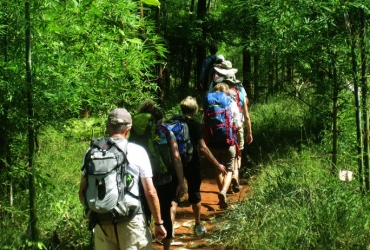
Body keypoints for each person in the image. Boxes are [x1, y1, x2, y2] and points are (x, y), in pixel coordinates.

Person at [78, 108, 166, 250]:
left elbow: (82, 191)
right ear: (129, 129)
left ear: (107, 127)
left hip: (101, 222)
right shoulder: (137, 151)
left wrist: (99, 210)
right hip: (131, 220)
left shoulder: (91, 151)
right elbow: (150, 192)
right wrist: (158, 223)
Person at [136, 100, 186, 250]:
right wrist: (181, 182)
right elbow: (176, 158)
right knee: (165, 214)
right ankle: (166, 248)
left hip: (141, 181)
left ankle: (146, 245)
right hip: (164, 180)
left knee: (143, 216)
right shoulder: (166, 132)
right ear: (158, 120)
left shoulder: (135, 134)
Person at [176, 96, 227, 233]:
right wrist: (218, 165)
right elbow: (203, 148)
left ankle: (169, 229)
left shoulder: (174, 123)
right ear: (195, 110)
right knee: (195, 193)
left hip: (175, 163)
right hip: (192, 162)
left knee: (174, 195)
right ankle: (198, 225)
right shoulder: (196, 126)